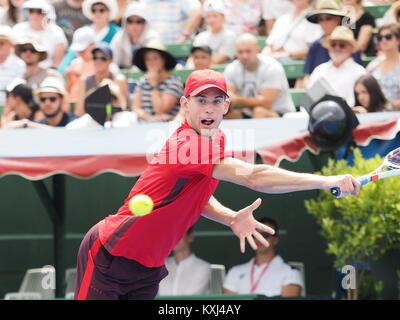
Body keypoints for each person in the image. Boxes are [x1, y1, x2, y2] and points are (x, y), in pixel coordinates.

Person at [74, 68, 360, 300]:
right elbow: (253, 177)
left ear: (226, 106)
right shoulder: (186, 143)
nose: (209, 109)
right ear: (185, 105)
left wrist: (230, 218)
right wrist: (325, 181)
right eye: (201, 100)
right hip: (109, 255)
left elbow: (192, 195)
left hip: (147, 268)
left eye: (215, 101)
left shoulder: (217, 140)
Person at [223, 217, 304, 297]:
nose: (259, 239)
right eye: (255, 235)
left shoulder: (291, 272)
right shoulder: (235, 271)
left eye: (265, 235)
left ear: (275, 239)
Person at [224, 33, 296, 119]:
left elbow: (266, 102)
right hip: (249, 112)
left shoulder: (272, 67)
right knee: (224, 116)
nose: (244, 56)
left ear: (257, 49)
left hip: (280, 114)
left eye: (248, 51)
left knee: (259, 111)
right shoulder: (231, 68)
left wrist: (238, 100)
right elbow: (229, 97)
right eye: (240, 52)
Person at [302, 0, 363, 87]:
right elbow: (308, 76)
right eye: (320, 19)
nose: (324, 23)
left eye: (328, 18)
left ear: (338, 19)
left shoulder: (350, 43)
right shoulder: (315, 46)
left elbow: (356, 75)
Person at [308, 26, 366, 107]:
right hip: (321, 115)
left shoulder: (360, 72)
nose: (337, 48)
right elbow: (310, 98)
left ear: (351, 48)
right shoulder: (319, 70)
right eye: (333, 44)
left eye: (342, 45)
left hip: (351, 117)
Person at [57, 0, 121, 73]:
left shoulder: (117, 32)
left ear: (109, 11)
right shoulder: (83, 31)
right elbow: (70, 56)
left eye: (101, 10)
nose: (97, 13)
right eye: (94, 10)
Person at [131, 41, 184, 122]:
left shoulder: (174, 82)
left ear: (163, 60)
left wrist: (154, 85)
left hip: (166, 127)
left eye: (155, 58)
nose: (151, 62)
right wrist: (149, 117)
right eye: (148, 59)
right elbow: (135, 107)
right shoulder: (143, 81)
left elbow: (161, 111)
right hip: (144, 125)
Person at [75, 42, 128, 116]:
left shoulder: (118, 80)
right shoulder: (84, 80)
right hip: (91, 120)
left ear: (110, 60)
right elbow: (79, 112)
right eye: (95, 57)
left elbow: (123, 108)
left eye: (103, 58)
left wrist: (115, 91)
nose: (98, 61)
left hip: (115, 118)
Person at [12, 0, 68, 69]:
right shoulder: (18, 29)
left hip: (45, 73)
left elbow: (57, 62)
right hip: (18, 70)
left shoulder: (56, 32)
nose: (35, 14)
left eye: (39, 11)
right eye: (31, 11)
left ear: (46, 13)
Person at [157, 227, 211, 296]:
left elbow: (192, 296)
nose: (174, 239)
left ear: (190, 237)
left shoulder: (203, 267)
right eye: (171, 235)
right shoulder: (161, 265)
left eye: (179, 234)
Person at [110, 1, 160, 70]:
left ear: (145, 22)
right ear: (125, 22)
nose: (134, 25)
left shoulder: (152, 38)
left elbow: (154, 64)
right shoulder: (119, 38)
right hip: (122, 78)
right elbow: (112, 62)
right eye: (130, 21)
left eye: (139, 21)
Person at [366, 23, 400, 110]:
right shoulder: (373, 65)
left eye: (388, 37)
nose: (383, 40)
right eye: (379, 38)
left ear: (398, 39)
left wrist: (390, 106)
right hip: (375, 114)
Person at [191, 0, 236, 65]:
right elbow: (193, 58)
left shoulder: (230, 36)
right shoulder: (200, 37)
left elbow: (217, 61)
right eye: (208, 16)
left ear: (222, 17)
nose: (211, 20)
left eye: (215, 16)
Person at [64, 27, 96, 104]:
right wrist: (68, 77)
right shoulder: (75, 63)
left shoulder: (100, 62)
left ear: (92, 45)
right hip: (71, 104)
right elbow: (67, 90)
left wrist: (81, 75)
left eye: (82, 50)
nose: (79, 53)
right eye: (78, 51)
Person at [0, 25, 26, 106]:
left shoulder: (19, 65)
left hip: (9, 108)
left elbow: (17, 94)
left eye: (1, 43)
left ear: (11, 44)